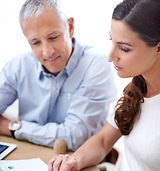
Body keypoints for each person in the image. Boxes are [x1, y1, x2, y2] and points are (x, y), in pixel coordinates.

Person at [48, 0, 160, 171]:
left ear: (158, 48)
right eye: (112, 41)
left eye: (124, 48)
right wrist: (74, 160)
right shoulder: (137, 90)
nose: (110, 56)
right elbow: (102, 142)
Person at [0, 0, 116, 151]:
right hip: (27, 156)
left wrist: (14, 128)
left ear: (70, 27)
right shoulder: (19, 65)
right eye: (35, 43)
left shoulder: (96, 66)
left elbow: (74, 138)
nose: (47, 52)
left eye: (53, 37)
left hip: (79, 165)